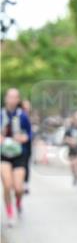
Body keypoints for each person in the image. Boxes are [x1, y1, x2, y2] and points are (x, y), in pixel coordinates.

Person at [1, 88, 32, 225]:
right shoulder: (1, 114)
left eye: (15, 97)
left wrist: (24, 137)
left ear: (18, 100)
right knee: (7, 185)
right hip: (4, 154)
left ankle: (18, 202)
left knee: (18, 188)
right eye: (10, 97)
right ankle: (10, 214)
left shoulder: (23, 116)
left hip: (19, 154)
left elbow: (30, 134)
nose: (12, 100)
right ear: (6, 98)